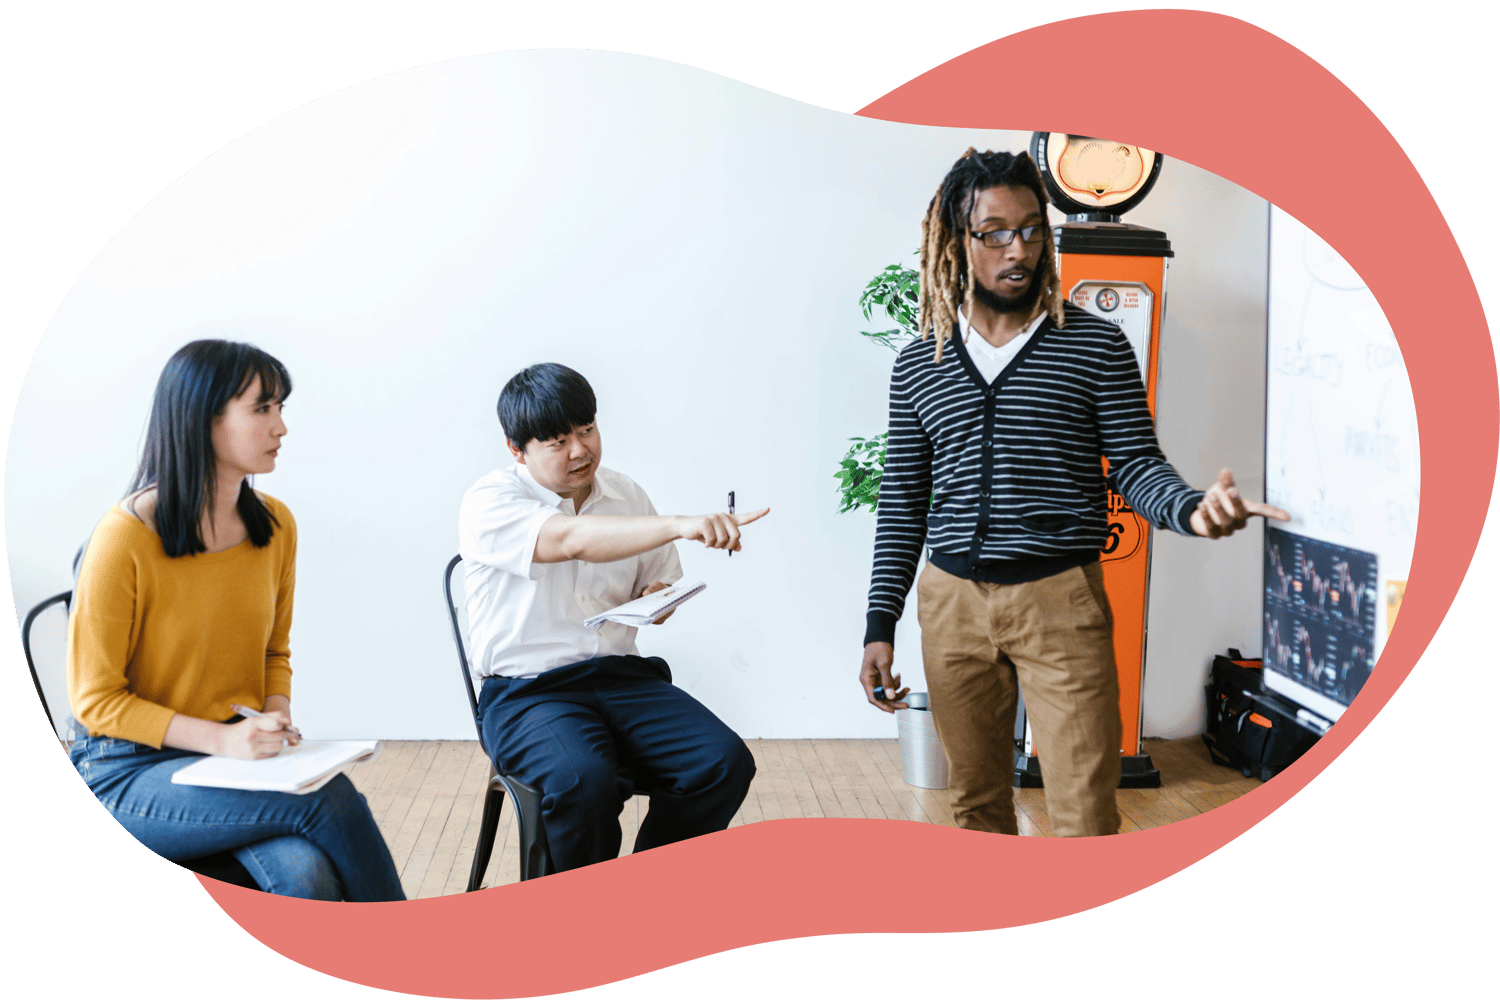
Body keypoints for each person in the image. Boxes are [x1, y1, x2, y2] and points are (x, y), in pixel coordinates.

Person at [858, 149, 1289, 837]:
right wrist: (879, 625)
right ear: (957, 240)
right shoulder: (921, 361)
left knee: (1085, 818)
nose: (1019, 249)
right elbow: (904, 498)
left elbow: (1138, 466)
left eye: (1032, 229)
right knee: (975, 809)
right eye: (995, 233)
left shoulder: (1094, 346)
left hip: (1060, 602)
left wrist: (1193, 510)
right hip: (952, 607)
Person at [67, 340, 405, 901]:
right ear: (205, 420)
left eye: (281, 408)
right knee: (329, 799)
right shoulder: (122, 539)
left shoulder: (275, 526)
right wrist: (222, 742)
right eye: (262, 408)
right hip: (125, 772)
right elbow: (96, 702)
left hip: (228, 763)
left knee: (305, 876)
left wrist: (275, 713)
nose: (281, 427)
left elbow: (273, 652)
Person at [459, 363, 765, 873]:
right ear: (517, 449)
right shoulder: (490, 500)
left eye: (587, 430)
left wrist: (657, 597)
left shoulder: (626, 494)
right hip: (528, 693)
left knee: (722, 763)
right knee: (583, 782)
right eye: (558, 442)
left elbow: (659, 581)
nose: (580, 450)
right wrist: (680, 524)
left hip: (623, 680)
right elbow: (569, 539)